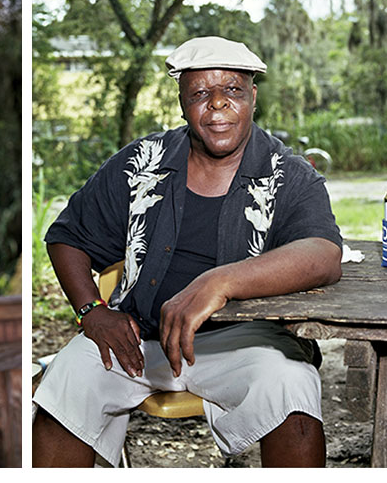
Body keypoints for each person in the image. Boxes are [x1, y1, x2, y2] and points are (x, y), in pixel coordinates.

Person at [32, 37, 343, 467]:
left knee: (292, 387)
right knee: (61, 391)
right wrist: (93, 312)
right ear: (181, 103)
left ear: (253, 96)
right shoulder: (142, 162)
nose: (217, 105)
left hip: (242, 342)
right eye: (200, 94)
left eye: (232, 90)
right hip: (138, 338)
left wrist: (221, 280)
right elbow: (66, 237)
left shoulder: (287, 174)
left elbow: (323, 254)